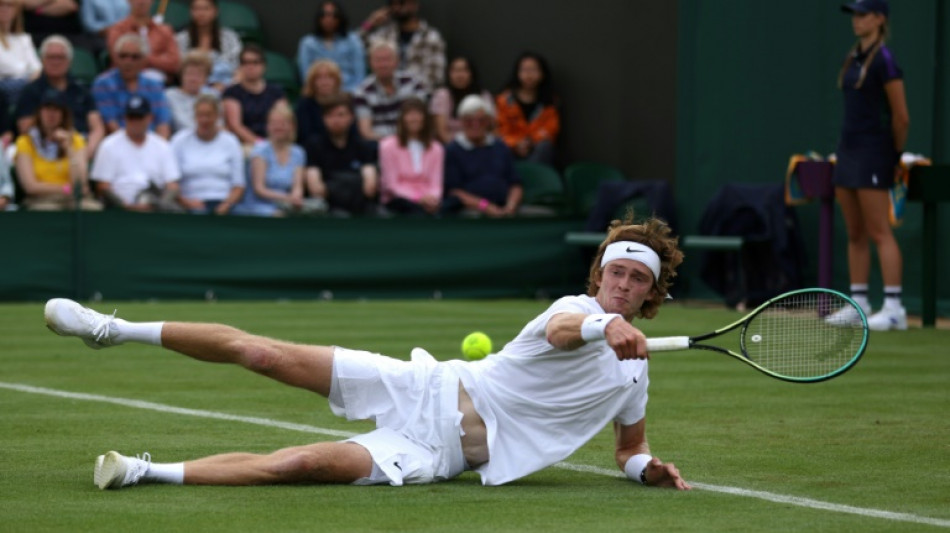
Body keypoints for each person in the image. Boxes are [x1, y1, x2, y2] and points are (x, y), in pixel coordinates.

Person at [43, 215, 690, 491]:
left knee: (297, 464)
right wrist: (603, 327)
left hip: (439, 455)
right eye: (614, 270)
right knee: (262, 354)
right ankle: (112, 327)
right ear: (599, 273)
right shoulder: (571, 312)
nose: (620, 283)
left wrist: (645, 469)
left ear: (650, 294)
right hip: (422, 386)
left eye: (636, 280)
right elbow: (564, 331)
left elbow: (628, 447)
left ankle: (141, 470)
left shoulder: (634, 370)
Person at [826, 0, 910, 332]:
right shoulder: (854, 56)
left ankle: (894, 308)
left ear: (879, 19)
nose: (856, 21)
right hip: (847, 152)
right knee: (855, 232)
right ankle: (858, 304)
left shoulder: (885, 60)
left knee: (879, 230)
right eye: (855, 15)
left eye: (863, 14)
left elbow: (901, 117)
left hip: (874, 153)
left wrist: (893, 154)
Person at [15, 34, 105, 155]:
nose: (55, 62)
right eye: (51, 57)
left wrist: (86, 152)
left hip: (81, 144)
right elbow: (25, 128)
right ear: (42, 60)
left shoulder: (81, 89)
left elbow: (97, 128)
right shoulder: (31, 91)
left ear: (70, 61)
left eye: (60, 57)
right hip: (43, 147)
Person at [91, 93, 180, 212]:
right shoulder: (109, 145)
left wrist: (161, 205)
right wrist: (125, 206)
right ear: (125, 118)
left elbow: (172, 185)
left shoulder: (162, 146)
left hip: (155, 207)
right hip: (119, 210)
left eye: (139, 117)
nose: (135, 122)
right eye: (131, 117)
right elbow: (102, 186)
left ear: (150, 118)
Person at [14, 89, 99, 210]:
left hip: (73, 200)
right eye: (47, 108)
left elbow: (81, 184)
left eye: (56, 109)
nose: (51, 114)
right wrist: (66, 189)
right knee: (47, 210)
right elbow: (30, 187)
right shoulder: (25, 141)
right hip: (41, 200)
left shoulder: (76, 140)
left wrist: (68, 149)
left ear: (64, 113)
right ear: (39, 112)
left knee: (91, 209)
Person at [442, 94, 522, 217]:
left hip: (506, 208)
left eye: (481, 120)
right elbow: (454, 192)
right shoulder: (453, 150)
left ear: (488, 122)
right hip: (471, 212)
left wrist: (511, 206)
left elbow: (515, 184)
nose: (475, 124)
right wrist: (485, 206)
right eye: (469, 121)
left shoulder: (500, 146)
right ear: (461, 122)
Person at [233, 101, 313, 217]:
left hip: (285, 204)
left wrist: (295, 197)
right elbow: (259, 189)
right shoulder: (260, 151)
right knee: (280, 216)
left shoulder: (298, 152)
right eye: (274, 123)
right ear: (268, 126)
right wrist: (287, 198)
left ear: (292, 126)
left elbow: (297, 186)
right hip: (255, 205)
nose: (278, 127)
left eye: (283, 123)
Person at [304, 92, 377, 216]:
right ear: (323, 118)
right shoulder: (313, 145)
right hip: (330, 209)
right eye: (330, 115)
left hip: (360, 206)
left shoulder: (363, 146)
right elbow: (316, 189)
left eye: (341, 115)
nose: (336, 120)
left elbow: (370, 187)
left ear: (352, 117)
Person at [171, 93, 244, 215]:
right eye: (200, 115)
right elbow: (172, 182)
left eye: (209, 115)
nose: (204, 120)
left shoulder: (231, 141)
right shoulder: (179, 141)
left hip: (223, 202)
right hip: (190, 204)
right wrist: (186, 202)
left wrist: (225, 205)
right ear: (194, 116)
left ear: (218, 116)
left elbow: (238, 185)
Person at [92, 32, 172, 138]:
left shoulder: (155, 85)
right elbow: (111, 125)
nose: (128, 61)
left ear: (144, 60)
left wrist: (157, 149)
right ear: (115, 58)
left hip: (152, 145)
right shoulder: (103, 84)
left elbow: (163, 124)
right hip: (119, 145)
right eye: (123, 56)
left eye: (135, 57)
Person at [359, 0, 444, 90]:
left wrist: (411, 92)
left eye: (401, 3)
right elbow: (358, 45)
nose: (397, 8)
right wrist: (370, 23)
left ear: (415, 5)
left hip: (418, 96)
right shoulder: (386, 34)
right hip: (385, 95)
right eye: (393, 4)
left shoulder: (430, 37)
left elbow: (435, 77)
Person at [352, 39, 427, 141]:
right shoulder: (362, 92)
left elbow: (421, 120)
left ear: (397, 61)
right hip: (380, 145)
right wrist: (392, 145)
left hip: (413, 139)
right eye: (378, 60)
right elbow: (366, 132)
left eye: (387, 59)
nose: (383, 65)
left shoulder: (413, 83)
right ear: (370, 63)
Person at [378, 97, 442, 215]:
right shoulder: (387, 146)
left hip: (428, 201)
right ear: (402, 119)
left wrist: (432, 199)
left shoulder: (436, 148)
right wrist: (418, 199)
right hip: (398, 200)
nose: (414, 119)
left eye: (418, 114)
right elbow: (391, 185)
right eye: (409, 114)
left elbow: (436, 183)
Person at [494, 51, 560, 166]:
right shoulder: (504, 100)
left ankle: (533, 178)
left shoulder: (550, 102)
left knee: (545, 146)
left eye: (534, 70)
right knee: (498, 145)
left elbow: (551, 129)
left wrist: (530, 142)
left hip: (536, 148)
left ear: (542, 73)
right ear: (517, 72)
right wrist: (516, 144)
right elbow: (500, 130)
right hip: (511, 148)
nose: (529, 75)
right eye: (524, 70)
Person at [222, 43, 286, 150]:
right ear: (240, 66)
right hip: (245, 145)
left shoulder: (276, 91)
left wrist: (273, 144)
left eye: (255, 62)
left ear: (264, 66)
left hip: (275, 142)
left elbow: (283, 119)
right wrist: (260, 144)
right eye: (245, 62)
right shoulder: (232, 93)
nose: (250, 67)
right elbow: (236, 126)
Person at [296, 1, 364, 93]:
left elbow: (360, 76)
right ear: (318, 18)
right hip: (319, 94)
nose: (329, 19)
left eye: (334, 15)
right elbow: (307, 78)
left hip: (349, 93)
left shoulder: (353, 40)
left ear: (340, 18)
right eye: (324, 15)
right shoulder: (308, 44)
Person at [174, 0, 241, 90]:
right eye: (196, 9)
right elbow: (179, 69)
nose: (201, 13)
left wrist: (224, 86)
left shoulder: (230, 38)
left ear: (215, 11)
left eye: (206, 9)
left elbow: (238, 69)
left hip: (225, 89)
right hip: (191, 89)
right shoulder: (180, 39)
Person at [106, 0, 180, 81]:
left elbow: (174, 63)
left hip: (161, 84)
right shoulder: (118, 30)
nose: (141, 2)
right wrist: (158, 60)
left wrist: (145, 58)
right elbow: (118, 60)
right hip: (123, 83)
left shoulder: (165, 31)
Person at [430, 55, 492, 144]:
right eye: (455, 71)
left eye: (464, 70)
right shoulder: (442, 95)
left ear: (471, 73)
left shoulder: (483, 95)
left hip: (480, 146)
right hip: (452, 148)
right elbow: (442, 133)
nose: (459, 75)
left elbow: (490, 128)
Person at [294, 59, 351, 146]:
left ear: (337, 80)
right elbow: (304, 136)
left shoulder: (346, 100)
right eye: (319, 78)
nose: (324, 82)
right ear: (312, 82)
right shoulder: (304, 104)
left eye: (330, 77)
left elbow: (353, 133)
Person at [165, 50, 217, 132]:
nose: (193, 79)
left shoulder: (212, 96)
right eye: (190, 73)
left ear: (206, 78)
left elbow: (219, 125)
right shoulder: (169, 96)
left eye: (198, 75)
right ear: (181, 75)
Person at [0, 0, 41, 105]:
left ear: (16, 10)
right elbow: (8, 68)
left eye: (9, 5)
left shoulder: (24, 38)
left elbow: (37, 69)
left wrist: (26, 79)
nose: (4, 9)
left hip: (24, 88)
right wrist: (26, 77)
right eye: (1, 4)